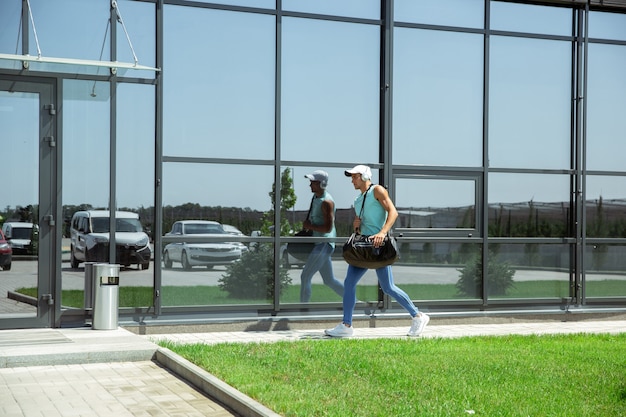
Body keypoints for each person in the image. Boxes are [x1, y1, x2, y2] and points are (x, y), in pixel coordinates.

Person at [325, 165, 429, 337]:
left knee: (388, 287)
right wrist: (357, 227)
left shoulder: (378, 190)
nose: (352, 180)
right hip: (363, 248)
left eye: (354, 176)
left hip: (378, 248)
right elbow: (365, 226)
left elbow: (393, 212)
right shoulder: (358, 200)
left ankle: (418, 316)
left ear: (365, 176)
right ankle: (346, 325)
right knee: (349, 284)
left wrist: (382, 232)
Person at [299, 170, 345, 302]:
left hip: (324, 244)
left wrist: (309, 227)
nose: (310, 185)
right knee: (329, 280)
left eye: (313, 182)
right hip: (320, 243)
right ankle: (353, 300)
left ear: (322, 184)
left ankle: (301, 310)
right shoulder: (316, 198)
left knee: (305, 275)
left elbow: (327, 228)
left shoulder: (326, 202)